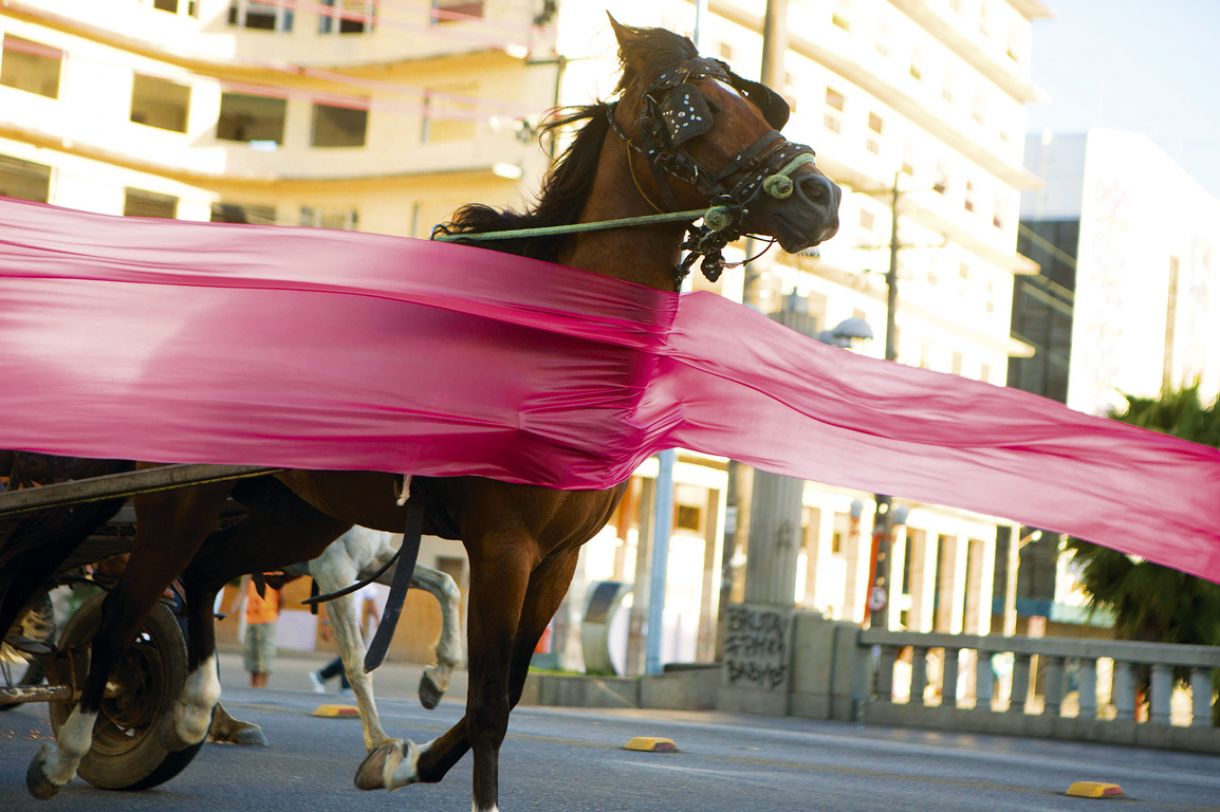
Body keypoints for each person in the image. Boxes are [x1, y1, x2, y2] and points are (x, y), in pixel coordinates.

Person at [308, 582, 382, 694]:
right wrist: (326, 624)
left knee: (351, 654)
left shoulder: (365, 581)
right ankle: (345, 686)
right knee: (349, 653)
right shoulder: (341, 578)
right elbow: (331, 602)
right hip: (340, 621)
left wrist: (378, 620)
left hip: (356, 624)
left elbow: (371, 603)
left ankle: (321, 675)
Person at [242, 576, 280, 688]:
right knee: (252, 653)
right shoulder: (250, 575)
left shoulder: (275, 575)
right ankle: (254, 685)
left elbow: (281, 596)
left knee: (265, 654)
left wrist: (273, 614)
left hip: (267, 618)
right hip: (251, 619)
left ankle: (262, 686)